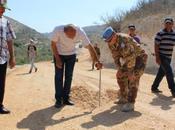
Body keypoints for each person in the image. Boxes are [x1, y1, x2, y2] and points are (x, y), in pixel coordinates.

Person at [51, 24, 102, 108]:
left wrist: (97, 61)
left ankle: (66, 98)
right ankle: (58, 100)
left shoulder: (80, 31)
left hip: (71, 55)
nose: (73, 37)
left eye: (74, 35)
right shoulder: (57, 30)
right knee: (58, 76)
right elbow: (53, 44)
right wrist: (57, 59)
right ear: (65, 32)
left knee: (69, 76)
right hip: (59, 54)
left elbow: (90, 47)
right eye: (71, 36)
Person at [102, 27, 147, 112]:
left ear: (114, 35)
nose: (108, 42)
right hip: (129, 58)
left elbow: (131, 57)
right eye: (106, 41)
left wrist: (130, 72)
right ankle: (124, 97)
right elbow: (115, 56)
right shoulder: (110, 42)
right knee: (119, 75)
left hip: (139, 58)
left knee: (133, 77)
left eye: (109, 40)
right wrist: (120, 69)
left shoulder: (124, 40)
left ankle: (131, 103)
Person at [151, 17, 175, 97]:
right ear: (164, 24)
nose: (168, 25)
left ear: (172, 24)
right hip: (162, 55)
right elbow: (156, 45)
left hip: (169, 57)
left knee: (161, 73)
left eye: (170, 23)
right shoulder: (160, 33)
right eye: (166, 23)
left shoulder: (174, 33)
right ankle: (173, 89)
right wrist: (157, 57)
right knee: (169, 72)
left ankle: (154, 87)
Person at [0, 1, 16, 114]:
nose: (4, 10)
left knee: (1, 83)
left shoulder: (6, 21)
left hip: (2, 57)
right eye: (1, 8)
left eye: (4, 8)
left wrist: (12, 57)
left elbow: (10, 40)